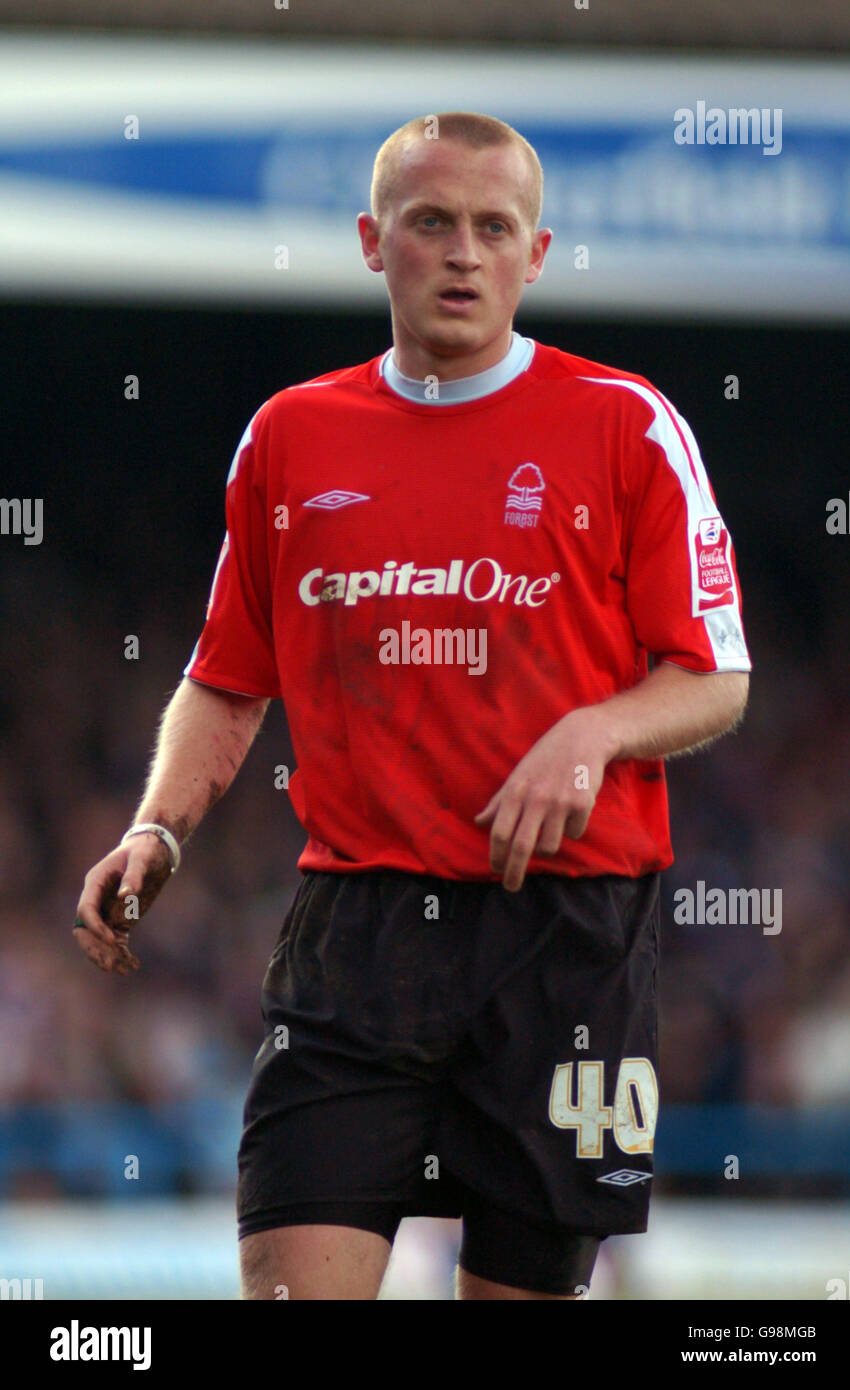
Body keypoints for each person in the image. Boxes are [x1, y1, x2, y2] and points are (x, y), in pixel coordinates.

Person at [74, 111, 751, 1301]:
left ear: (535, 256)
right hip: (355, 938)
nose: (462, 253)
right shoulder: (290, 437)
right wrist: (159, 826)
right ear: (370, 242)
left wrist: (591, 732)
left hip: (570, 939)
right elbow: (229, 678)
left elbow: (714, 675)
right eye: (430, 221)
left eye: (494, 228)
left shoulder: (625, 425)